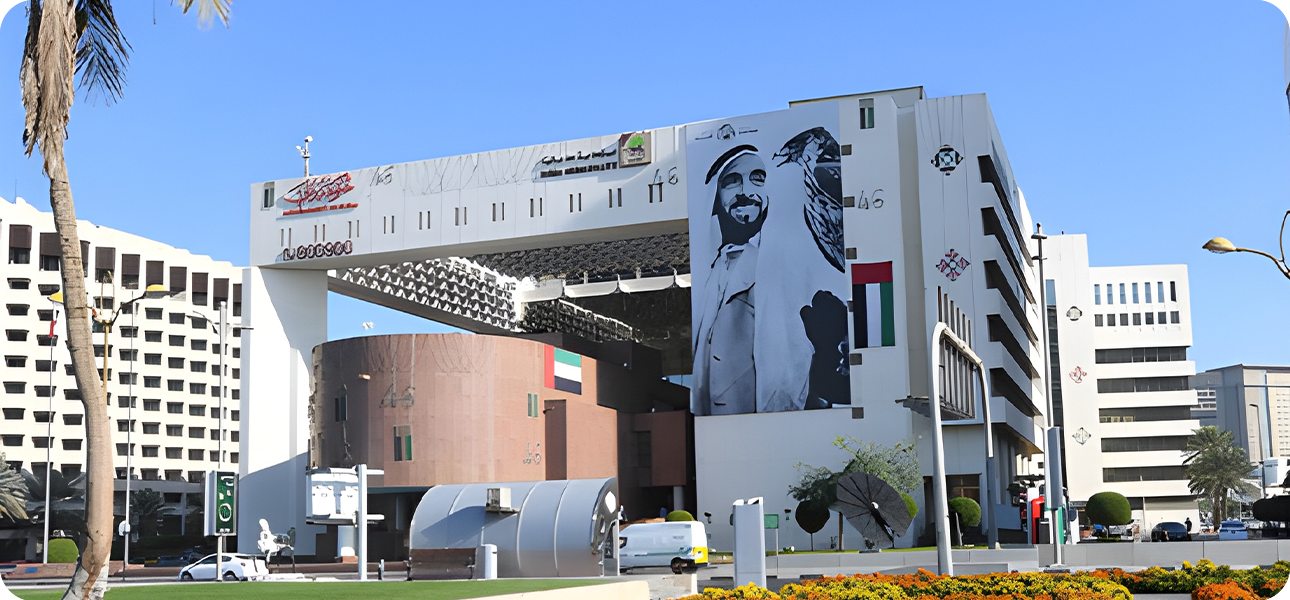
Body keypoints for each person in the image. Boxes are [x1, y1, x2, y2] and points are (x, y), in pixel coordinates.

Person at [692, 145, 768, 416]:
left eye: (757, 179)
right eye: (733, 181)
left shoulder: (776, 265)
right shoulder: (710, 269)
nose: (745, 191)